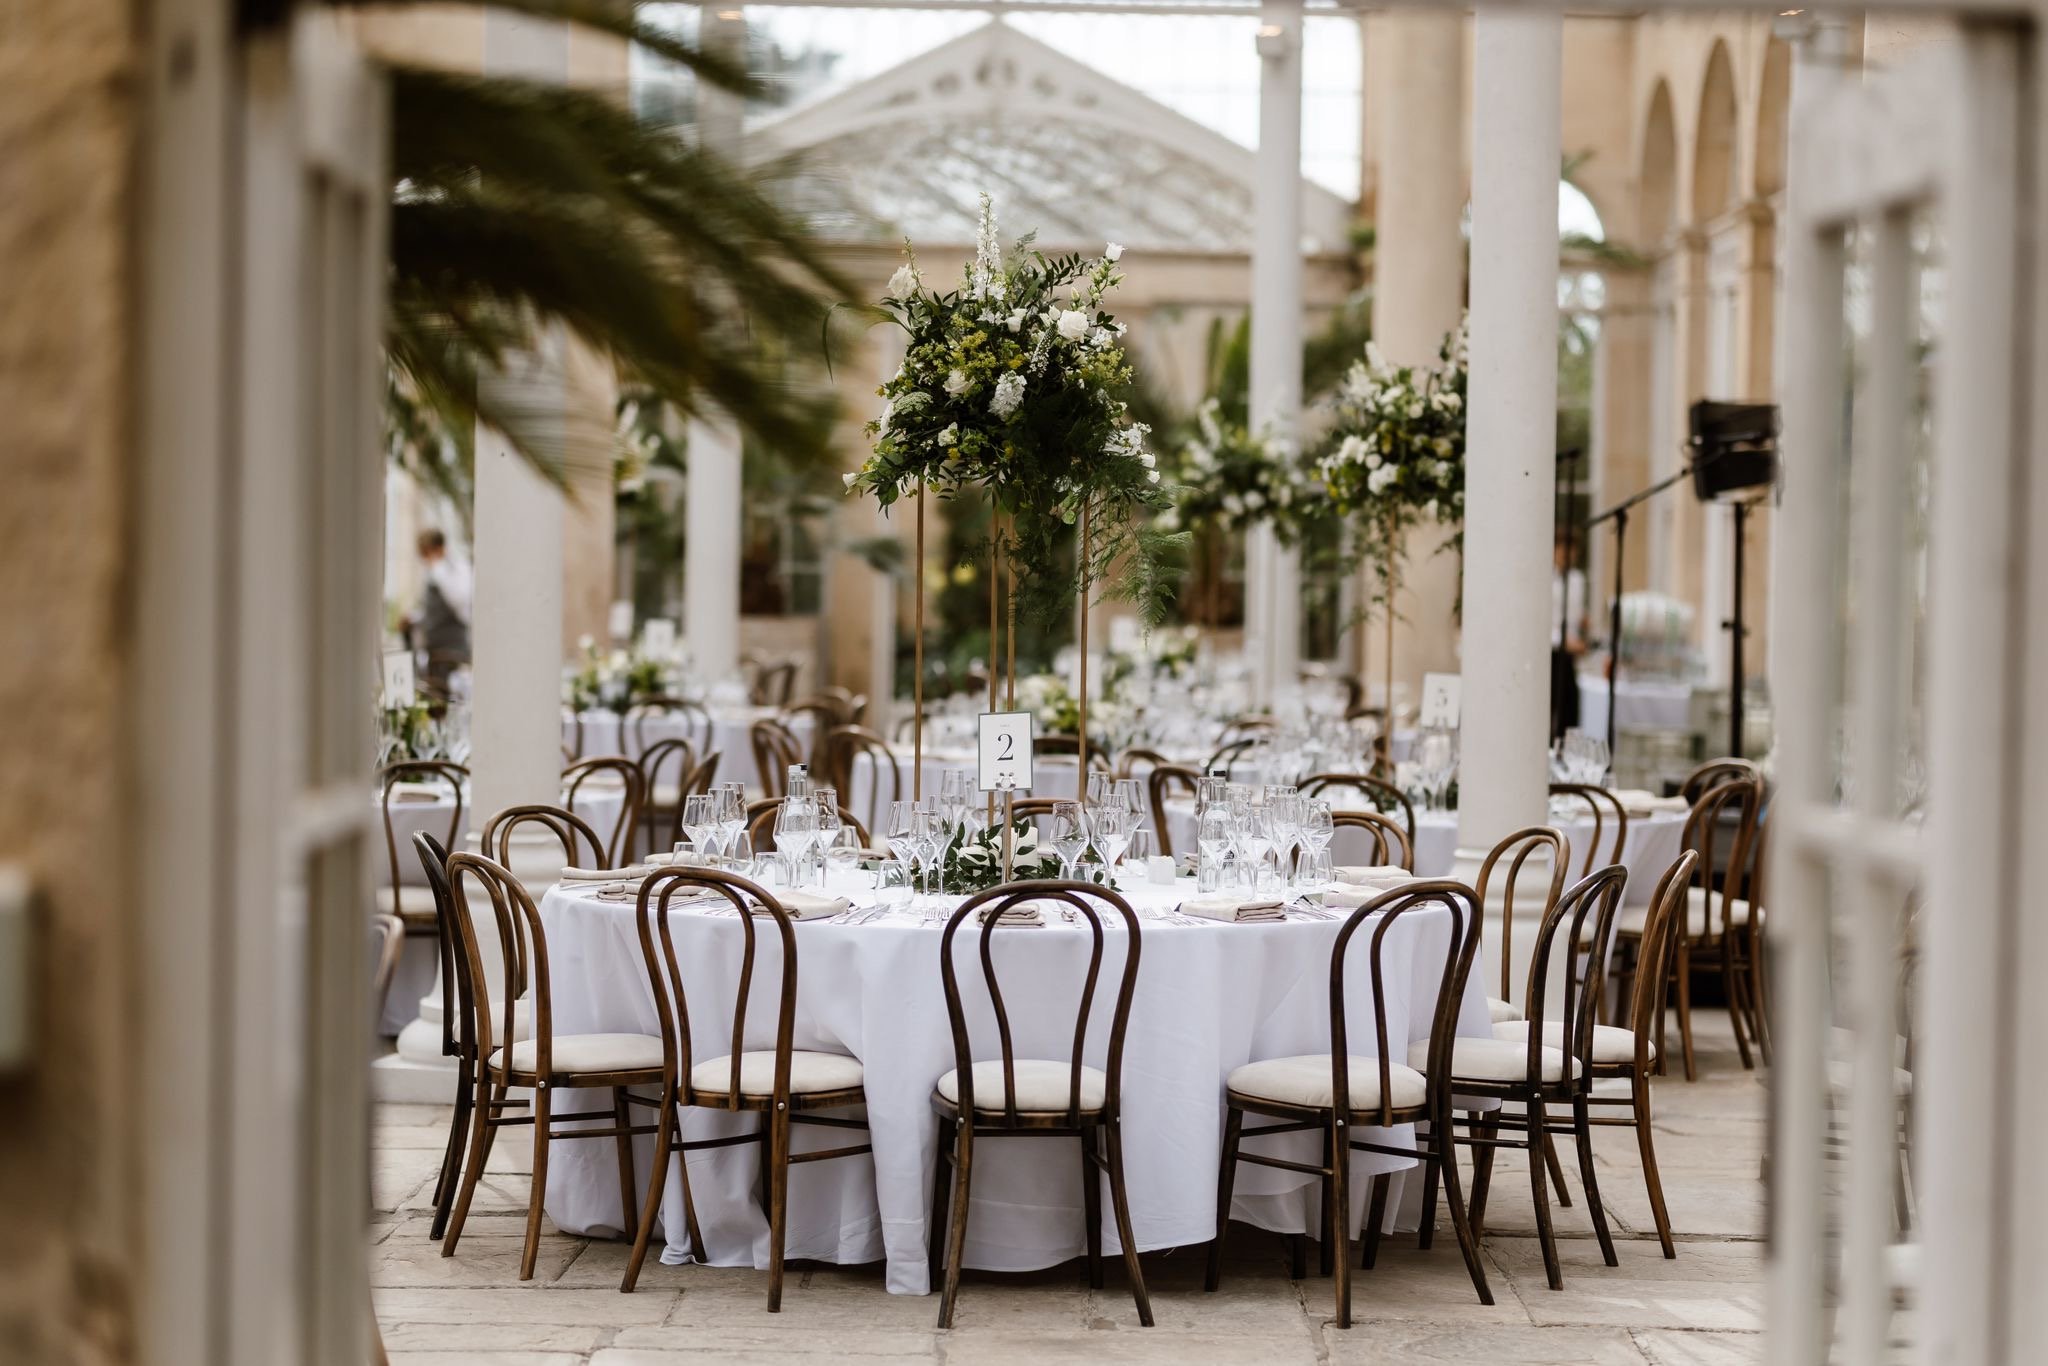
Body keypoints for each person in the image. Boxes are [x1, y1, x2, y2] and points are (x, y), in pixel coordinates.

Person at [408, 528, 472, 699]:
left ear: (436, 549)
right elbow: (431, 609)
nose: (425, 560)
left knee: (449, 698)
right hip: (435, 650)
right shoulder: (436, 573)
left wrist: (438, 569)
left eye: (426, 553)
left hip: (452, 648)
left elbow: (460, 602)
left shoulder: (454, 570)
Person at [1550, 530, 1588, 743]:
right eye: (1563, 548)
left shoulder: (1577, 580)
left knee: (1571, 710)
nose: (1567, 554)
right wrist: (1563, 641)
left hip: (1570, 656)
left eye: (1571, 549)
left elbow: (1574, 617)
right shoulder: (1545, 579)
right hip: (1552, 652)